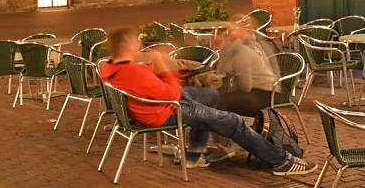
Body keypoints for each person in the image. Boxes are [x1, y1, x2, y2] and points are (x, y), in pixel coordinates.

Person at [99, 26, 317, 176]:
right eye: (135, 40)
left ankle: (195, 154)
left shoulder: (111, 66)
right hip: (167, 111)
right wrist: (166, 68)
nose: (139, 43)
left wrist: (153, 67)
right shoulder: (133, 72)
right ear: (126, 44)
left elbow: (144, 80)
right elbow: (172, 92)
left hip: (155, 105)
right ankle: (281, 161)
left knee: (212, 96)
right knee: (234, 122)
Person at [216, 21, 278, 116]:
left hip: (263, 93)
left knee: (217, 101)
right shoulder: (228, 52)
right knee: (213, 99)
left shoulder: (240, 52)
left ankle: (228, 129)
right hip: (254, 91)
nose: (214, 39)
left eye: (218, 36)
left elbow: (246, 86)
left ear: (228, 39)